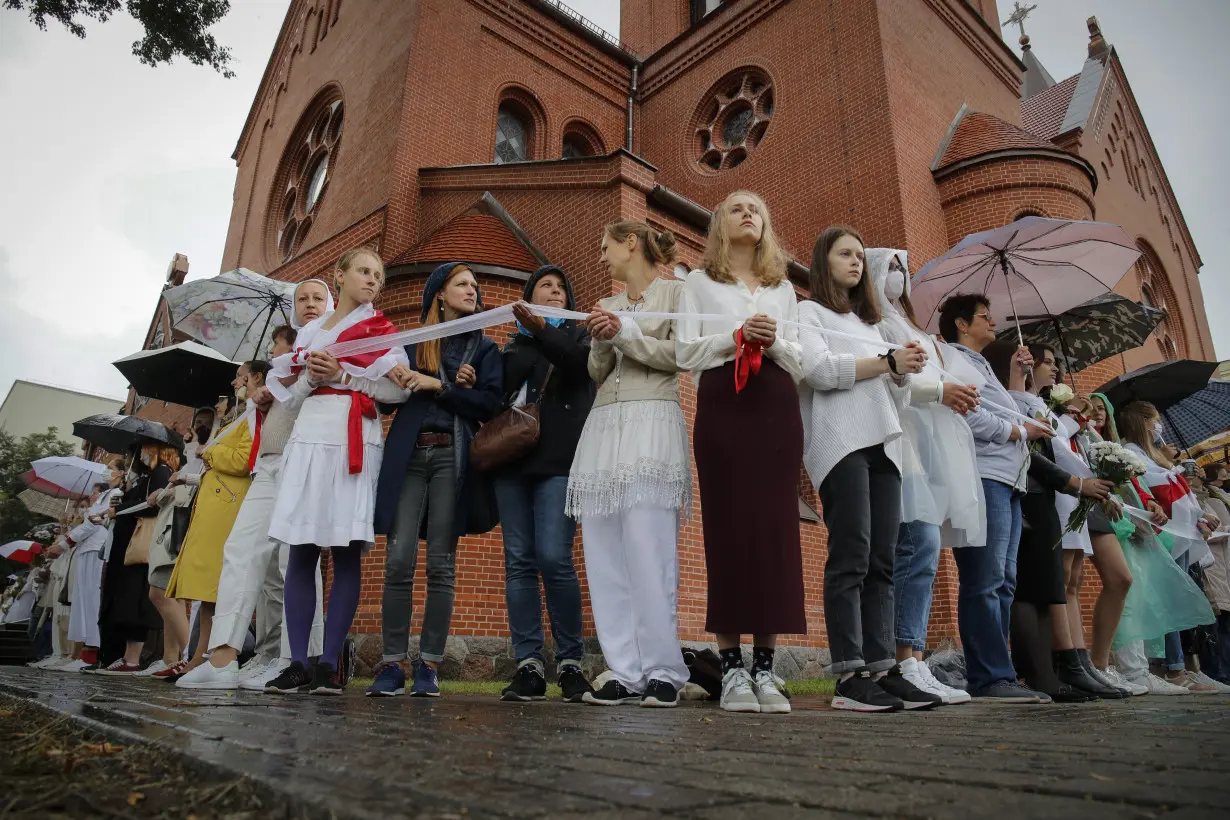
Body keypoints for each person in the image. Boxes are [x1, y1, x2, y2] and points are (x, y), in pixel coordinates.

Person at [796, 227, 939, 712]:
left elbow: (892, 396)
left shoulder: (872, 326)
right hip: (840, 443)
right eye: (845, 254)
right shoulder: (807, 312)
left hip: (884, 445)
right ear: (824, 261)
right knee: (851, 554)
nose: (856, 262)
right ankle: (849, 675)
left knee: (882, 560)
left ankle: (882, 669)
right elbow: (817, 371)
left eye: (860, 255)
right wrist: (886, 362)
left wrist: (901, 369)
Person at [676, 191, 802, 715]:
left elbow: (801, 356)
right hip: (724, 403)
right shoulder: (698, 284)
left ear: (766, 225)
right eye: (736, 208)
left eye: (757, 209)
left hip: (776, 404)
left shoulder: (784, 289)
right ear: (719, 226)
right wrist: (735, 336)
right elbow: (684, 351)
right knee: (727, 529)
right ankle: (731, 668)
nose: (748, 213)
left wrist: (772, 342)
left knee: (775, 530)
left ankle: (767, 669)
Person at [265, 247, 409, 695]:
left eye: (378, 275)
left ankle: (329, 664)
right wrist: (313, 376)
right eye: (364, 271)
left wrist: (344, 376)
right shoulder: (308, 331)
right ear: (340, 275)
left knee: (344, 546)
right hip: (310, 435)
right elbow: (288, 396)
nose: (372, 280)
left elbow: (397, 392)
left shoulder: (381, 328)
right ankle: (296, 662)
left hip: (354, 434)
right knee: (302, 548)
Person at [179, 282, 332, 692]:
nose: (310, 304)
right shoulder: (280, 367)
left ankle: (296, 659)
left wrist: (288, 387)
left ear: (330, 304)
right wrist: (258, 401)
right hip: (267, 468)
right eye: (303, 299)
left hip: (303, 464)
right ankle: (224, 657)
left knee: (293, 563)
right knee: (241, 551)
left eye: (318, 298)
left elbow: (321, 400)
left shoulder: (330, 345)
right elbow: (261, 429)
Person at [367, 263, 502, 698]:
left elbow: (490, 406)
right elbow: (387, 404)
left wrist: (444, 387)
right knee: (398, 559)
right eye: (462, 284)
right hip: (410, 456)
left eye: (475, 285)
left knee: (442, 565)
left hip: (452, 457)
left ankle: (429, 665)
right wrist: (394, 378)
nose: (472, 290)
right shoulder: (412, 342)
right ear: (439, 294)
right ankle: (391, 663)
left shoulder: (483, 349)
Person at [573, 219, 692, 708]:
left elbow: (680, 356)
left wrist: (622, 334)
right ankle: (623, 670)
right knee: (602, 552)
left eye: (605, 246)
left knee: (648, 549)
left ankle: (663, 669)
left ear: (630, 243)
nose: (601, 256)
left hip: (652, 421)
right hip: (604, 425)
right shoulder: (608, 305)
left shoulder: (676, 294)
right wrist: (603, 338)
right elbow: (597, 372)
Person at [865, 248, 982, 705]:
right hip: (902, 443)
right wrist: (940, 388)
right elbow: (890, 376)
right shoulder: (876, 323)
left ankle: (913, 655)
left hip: (931, 449)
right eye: (890, 267)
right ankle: (904, 658)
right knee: (918, 545)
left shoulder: (915, 327)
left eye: (902, 268)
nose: (898, 275)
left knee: (926, 552)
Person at [937, 293, 1054, 703]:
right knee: (984, 579)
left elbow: (1017, 412)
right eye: (984, 317)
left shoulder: (984, 363)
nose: (993, 323)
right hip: (984, 474)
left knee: (1004, 580)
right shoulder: (954, 359)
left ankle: (997, 672)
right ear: (961, 324)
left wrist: (1019, 378)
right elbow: (970, 412)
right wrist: (1019, 433)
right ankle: (988, 676)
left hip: (1008, 479)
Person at [492, 265, 596, 702]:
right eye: (544, 287)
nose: (554, 292)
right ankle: (529, 664)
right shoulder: (514, 343)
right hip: (512, 460)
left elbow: (578, 369)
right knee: (518, 560)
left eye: (560, 288)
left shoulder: (580, 335)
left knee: (554, 558)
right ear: (529, 297)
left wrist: (544, 332)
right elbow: (499, 389)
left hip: (559, 459)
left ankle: (570, 662)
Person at [995, 343, 1120, 701]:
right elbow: (1044, 449)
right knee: (1047, 583)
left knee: (1062, 581)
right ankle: (1051, 666)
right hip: (1044, 489)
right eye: (1044, 361)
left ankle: (1071, 664)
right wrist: (1078, 481)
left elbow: (1060, 448)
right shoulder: (1016, 398)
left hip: (1064, 491)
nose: (1051, 368)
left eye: (1052, 363)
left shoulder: (1042, 404)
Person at [171, 363, 270, 686]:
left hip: (229, 503)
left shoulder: (251, 417)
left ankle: (211, 655)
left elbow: (243, 459)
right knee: (205, 591)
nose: (234, 382)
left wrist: (211, 453)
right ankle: (200, 655)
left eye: (240, 375)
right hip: (213, 503)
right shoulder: (235, 418)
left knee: (215, 587)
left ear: (255, 378)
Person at [1117, 401, 1217, 693]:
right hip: (1162, 531)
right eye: (1155, 420)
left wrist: (1200, 515)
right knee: (1168, 600)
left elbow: (1179, 491)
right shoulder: (1132, 453)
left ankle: (1182, 665)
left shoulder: (1156, 455)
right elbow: (1149, 488)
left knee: (1179, 598)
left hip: (1180, 531)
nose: (1158, 426)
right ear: (1144, 422)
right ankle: (1172, 668)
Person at [96, 444, 174, 674]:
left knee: (137, 601)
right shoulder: (143, 476)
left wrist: (120, 511)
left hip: (141, 546)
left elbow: (152, 504)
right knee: (125, 601)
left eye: (140, 452)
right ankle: (124, 656)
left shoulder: (160, 471)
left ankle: (133, 658)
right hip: (127, 546)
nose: (138, 457)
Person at [64, 468, 124, 669]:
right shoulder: (103, 498)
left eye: (113, 468)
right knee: (84, 602)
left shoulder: (115, 494)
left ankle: (95, 652)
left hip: (97, 549)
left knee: (93, 601)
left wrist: (67, 540)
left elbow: (95, 523)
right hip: (86, 550)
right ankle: (85, 654)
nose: (93, 495)